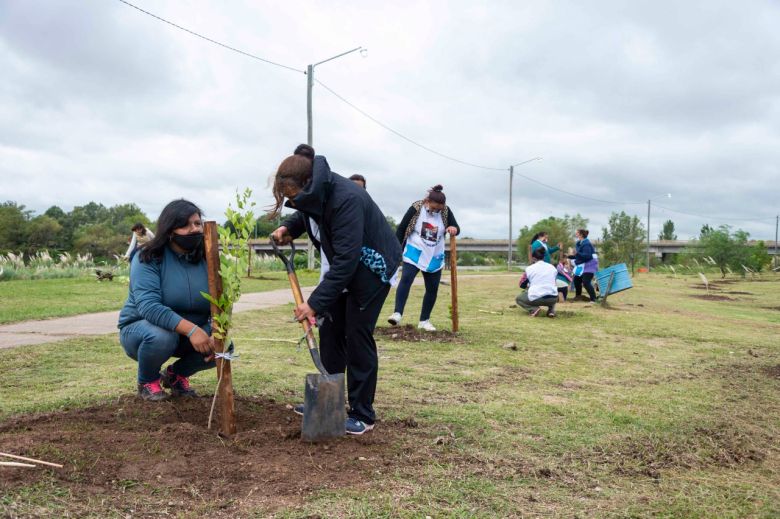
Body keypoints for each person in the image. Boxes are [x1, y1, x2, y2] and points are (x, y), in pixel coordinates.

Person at [270, 144, 401, 436]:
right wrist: (289, 227)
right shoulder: (315, 193)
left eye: (293, 195)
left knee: (356, 333)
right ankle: (329, 399)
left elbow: (346, 261)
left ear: (307, 184)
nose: (292, 200)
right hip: (345, 267)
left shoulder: (346, 199)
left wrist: (313, 303)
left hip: (372, 268)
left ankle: (362, 414)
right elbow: (310, 214)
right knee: (330, 330)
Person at [117, 200, 216, 401]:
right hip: (143, 330)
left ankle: (176, 375)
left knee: (224, 346)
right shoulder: (148, 257)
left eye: (197, 223)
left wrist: (215, 329)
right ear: (170, 229)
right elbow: (149, 307)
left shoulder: (209, 258)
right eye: (185, 225)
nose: (194, 229)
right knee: (163, 336)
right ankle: (147, 381)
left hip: (188, 334)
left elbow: (221, 302)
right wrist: (192, 330)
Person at [387, 185, 460, 332]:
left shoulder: (445, 211)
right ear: (427, 201)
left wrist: (453, 228)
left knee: (432, 288)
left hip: (434, 254)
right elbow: (401, 228)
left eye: (439, 209)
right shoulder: (416, 207)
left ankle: (424, 320)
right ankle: (397, 313)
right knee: (406, 279)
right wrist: (395, 250)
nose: (436, 211)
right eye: (433, 208)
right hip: (415, 250)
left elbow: (456, 227)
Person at [516, 247, 559, 317]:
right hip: (553, 298)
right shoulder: (552, 267)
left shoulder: (529, 269)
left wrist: (528, 286)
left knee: (519, 299)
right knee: (551, 290)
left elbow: (521, 284)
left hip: (537, 297)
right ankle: (551, 310)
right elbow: (553, 282)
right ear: (543, 257)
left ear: (533, 258)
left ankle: (534, 309)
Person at [569, 229, 599, 302]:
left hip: (590, 265)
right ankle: (578, 297)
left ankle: (593, 299)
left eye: (577, 233)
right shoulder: (580, 243)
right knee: (576, 280)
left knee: (586, 282)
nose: (576, 234)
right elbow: (580, 256)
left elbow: (587, 256)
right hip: (583, 265)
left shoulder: (586, 244)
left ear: (581, 235)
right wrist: (570, 256)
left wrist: (576, 254)